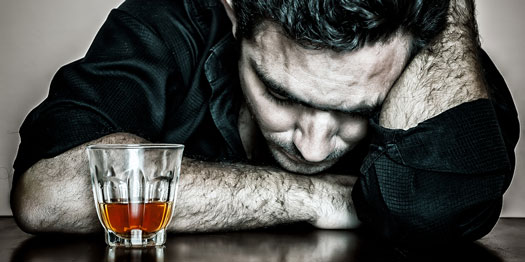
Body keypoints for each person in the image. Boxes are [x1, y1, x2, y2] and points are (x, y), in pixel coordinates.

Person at [10, 0, 519, 246]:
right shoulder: (168, 21)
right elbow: (47, 190)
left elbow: (450, 207)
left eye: (358, 109)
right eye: (279, 93)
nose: (315, 148)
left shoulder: (430, 62)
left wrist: (447, 9)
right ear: (234, 14)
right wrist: (315, 197)